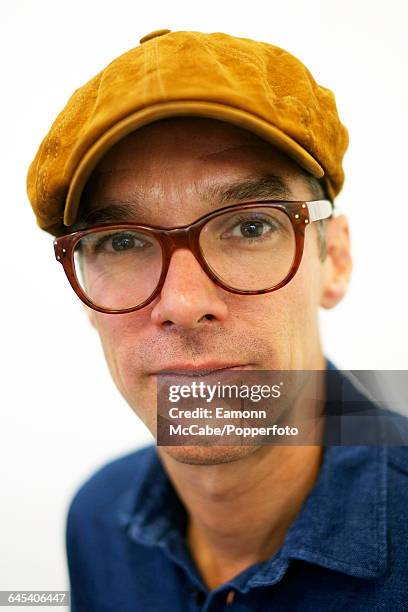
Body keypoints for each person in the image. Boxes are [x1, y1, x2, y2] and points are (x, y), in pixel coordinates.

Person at [27, 29, 408, 611]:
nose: (182, 302)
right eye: (122, 241)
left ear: (334, 259)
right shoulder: (98, 518)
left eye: (250, 226)